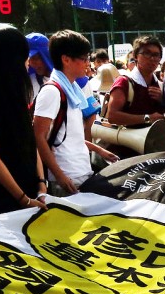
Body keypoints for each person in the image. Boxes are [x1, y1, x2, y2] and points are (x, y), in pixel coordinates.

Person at [0, 26, 47, 214]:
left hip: (30, 194)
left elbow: (30, 143)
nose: (28, 62)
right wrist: (24, 199)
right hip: (2, 202)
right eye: (24, 56)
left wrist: (41, 184)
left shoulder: (17, 97)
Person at [33, 29, 117, 196]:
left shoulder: (72, 89)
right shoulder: (52, 92)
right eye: (84, 59)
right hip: (66, 179)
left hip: (81, 171)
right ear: (66, 59)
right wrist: (60, 176)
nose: (88, 64)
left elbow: (71, 136)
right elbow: (39, 138)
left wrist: (99, 150)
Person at [103, 36, 165, 129]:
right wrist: (147, 118)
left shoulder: (161, 85)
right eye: (146, 53)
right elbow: (112, 116)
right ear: (135, 56)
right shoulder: (123, 82)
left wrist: (164, 100)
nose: (152, 58)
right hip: (126, 142)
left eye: (156, 55)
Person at [26, 32, 53, 99]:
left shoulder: (66, 79)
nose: (32, 63)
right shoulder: (29, 81)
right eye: (29, 59)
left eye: (35, 58)